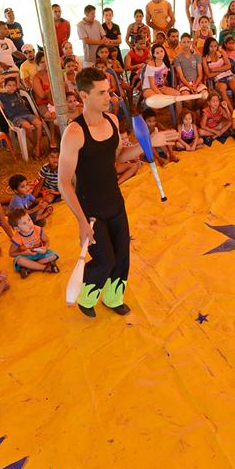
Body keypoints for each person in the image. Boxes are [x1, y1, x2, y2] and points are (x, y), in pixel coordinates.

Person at [58, 68, 178, 316]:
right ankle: (86, 296)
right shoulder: (74, 133)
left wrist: (147, 145)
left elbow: (119, 156)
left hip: (115, 201)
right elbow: (63, 183)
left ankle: (113, 298)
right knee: (105, 260)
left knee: (122, 257)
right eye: (101, 93)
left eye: (109, 91)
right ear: (84, 95)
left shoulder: (112, 120)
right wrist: (81, 222)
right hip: (90, 208)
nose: (108, 97)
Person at [7, 209, 60, 277]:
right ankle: (46, 268)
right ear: (17, 229)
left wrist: (45, 248)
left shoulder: (38, 229)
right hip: (27, 256)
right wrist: (24, 253)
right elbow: (11, 253)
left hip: (40, 254)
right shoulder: (17, 238)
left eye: (29, 219)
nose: (29, 224)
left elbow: (46, 241)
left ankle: (30, 267)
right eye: (24, 223)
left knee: (54, 255)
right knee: (20, 261)